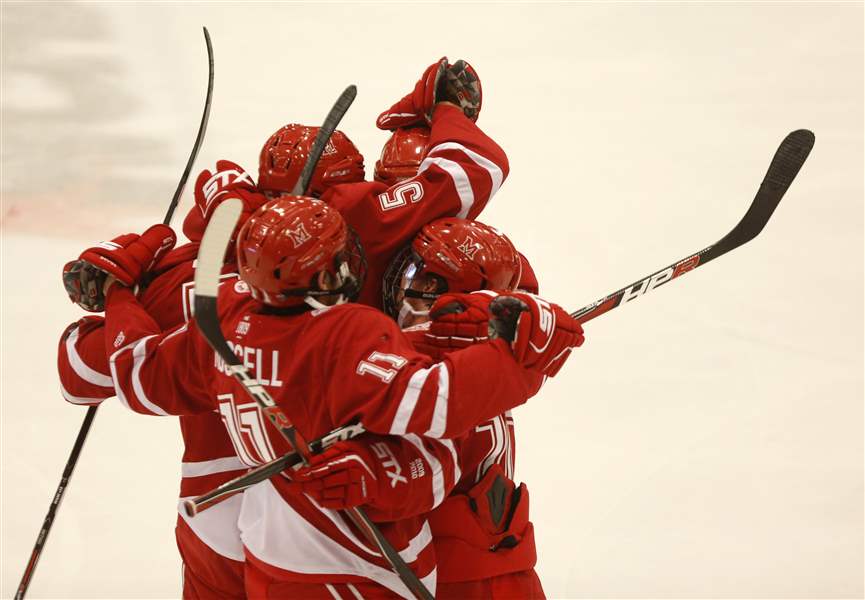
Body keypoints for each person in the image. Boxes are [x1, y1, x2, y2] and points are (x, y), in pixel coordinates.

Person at [104, 194, 582, 598]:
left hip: (269, 563)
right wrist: (525, 359)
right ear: (331, 274)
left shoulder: (225, 321)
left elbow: (135, 374)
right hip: (366, 570)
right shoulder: (348, 332)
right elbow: (436, 406)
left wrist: (117, 296)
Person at [292, 217, 550, 598]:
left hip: (457, 581)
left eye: (423, 280)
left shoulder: (429, 380)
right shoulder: (496, 354)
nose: (402, 289)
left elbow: (410, 478)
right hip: (496, 568)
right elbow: (510, 279)